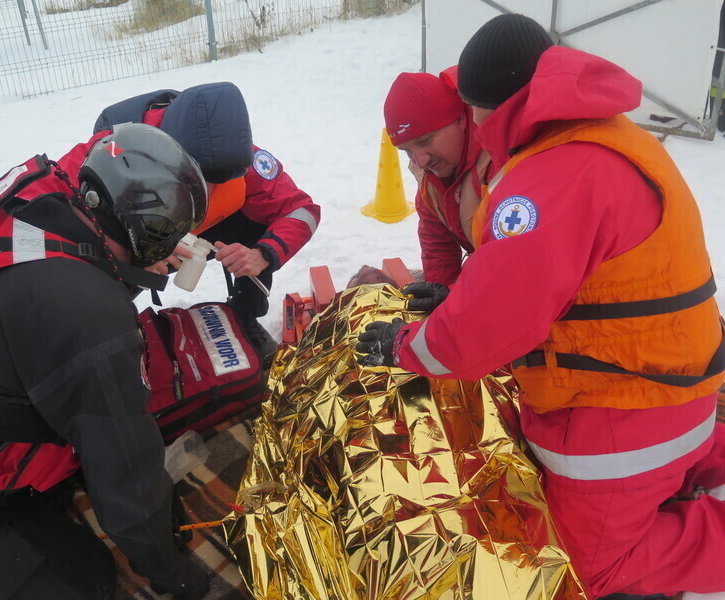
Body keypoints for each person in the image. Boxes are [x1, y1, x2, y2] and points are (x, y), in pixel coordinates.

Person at [358, 13, 725, 600]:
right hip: (666, 378)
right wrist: (455, 297)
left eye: (469, 115)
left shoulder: (547, 177)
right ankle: (692, 471)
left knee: (587, 570)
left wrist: (406, 344)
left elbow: (482, 329)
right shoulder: (602, 134)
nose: (420, 159)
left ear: (482, 111)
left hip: (626, 410)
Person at [0, 123, 211, 599]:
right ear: (147, 230)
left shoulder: (43, 201)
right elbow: (127, 476)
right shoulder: (89, 318)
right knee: (85, 578)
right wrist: (168, 568)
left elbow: (71, 274)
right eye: (170, 234)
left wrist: (132, 264)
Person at [93, 82, 322, 318]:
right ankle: (113, 333)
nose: (209, 191)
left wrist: (263, 254)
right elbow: (75, 227)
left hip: (207, 230)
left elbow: (300, 209)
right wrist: (141, 253)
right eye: (197, 178)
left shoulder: (238, 155)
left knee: (262, 222)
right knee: (105, 288)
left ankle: (247, 316)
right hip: (139, 236)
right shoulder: (114, 150)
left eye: (219, 180)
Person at [383, 67, 488, 285]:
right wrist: (438, 296)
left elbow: (509, 265)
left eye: (425, 141)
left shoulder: (499, 162)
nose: (420, 161)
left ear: (461, 119)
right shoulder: (431, 184)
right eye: (407, 150)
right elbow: (438, 249)